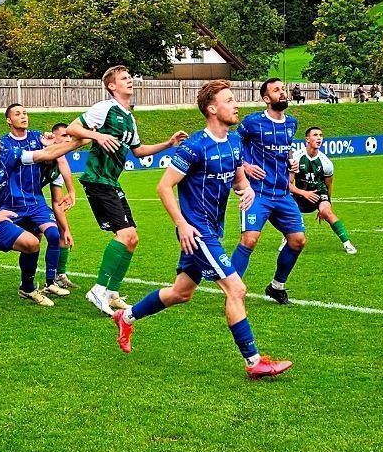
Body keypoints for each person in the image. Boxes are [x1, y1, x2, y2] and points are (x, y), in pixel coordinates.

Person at [112, 80, 293, 379]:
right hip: (196, 232)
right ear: (212, 109)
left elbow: (238, 178)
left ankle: (126, 316)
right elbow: (164, 186)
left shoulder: (234, 142)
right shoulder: (194, 146)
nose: (236, 105)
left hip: (213, 229)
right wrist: (182, 224)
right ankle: (254, 362)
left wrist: (245, 189)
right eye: (230, 100)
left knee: (181, 292)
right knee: (237, 289)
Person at [67, 65, 189, 317]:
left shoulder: (128, 117)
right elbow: (72, 128)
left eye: (130, 77)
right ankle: (98, 290)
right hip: (98, 180)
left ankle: (112, 292)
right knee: (124, 236)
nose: (130, 81)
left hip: (112, 182)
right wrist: (97, 136)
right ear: (112, 86)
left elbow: (138, 151)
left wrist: (168, 143)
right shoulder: (105, 108)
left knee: (132, 239)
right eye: (124, 78)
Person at [0, 121, 81, 322]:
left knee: (32, 243)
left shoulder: (8, 156)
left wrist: (79, 142)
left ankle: (27, 289)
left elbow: (44, 154)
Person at [232, 78, 307, 305]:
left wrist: (292, 162)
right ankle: (232, 292)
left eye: (283, 89)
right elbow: (233, 143)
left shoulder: (291, 123)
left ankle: (277, 286)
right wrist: (244, 165)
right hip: (257, 192)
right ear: (266, 99)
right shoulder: (252, 122)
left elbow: (285, 152)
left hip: (282, 193)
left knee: (298, 240)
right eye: (276, 90)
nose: (282, 93)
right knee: (250, 240)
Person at [1, 103, 75, 304]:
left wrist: (50, 144)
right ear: (9, 120)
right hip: (12, 203)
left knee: (53, 234)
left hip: (35, 201)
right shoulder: (3, 144)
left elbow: (58, 157)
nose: (23, 116)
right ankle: (26, 286)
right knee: (29, 244)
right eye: (18, 114)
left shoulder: (37, 137)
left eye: (25, 112)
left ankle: (51, 282)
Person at [291, 127, 357, 255]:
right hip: (300, 193)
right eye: (315, 135)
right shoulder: (296, 158)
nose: (319, 138)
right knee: (289, 211)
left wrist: (326, 204)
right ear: (307, 139)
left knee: (327, 212)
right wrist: (304, 193)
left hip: (318, 194)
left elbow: (328, 186)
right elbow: (287, 184)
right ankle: (288, 238)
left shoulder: (326, 163)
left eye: (321, 135)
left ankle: (347, 243)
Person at [43, 123, 78, 291]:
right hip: (11, 198)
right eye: (64, 136)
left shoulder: (58, 165)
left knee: (61, 233)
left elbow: (57, 202)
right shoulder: (40, 152)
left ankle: (58, 276)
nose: (68, 140)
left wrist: (67, 229)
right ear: (52, 137)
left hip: (33, 201)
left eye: (70, 136)